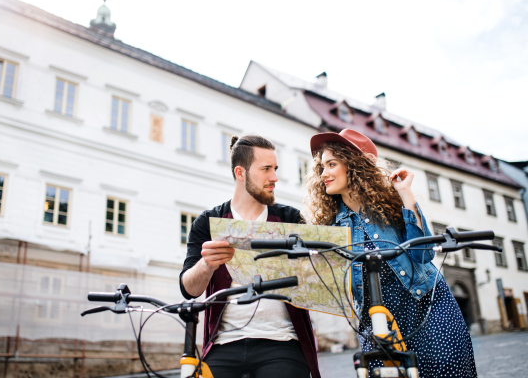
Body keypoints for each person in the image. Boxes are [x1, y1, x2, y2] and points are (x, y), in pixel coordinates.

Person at [305, 128, 477, 377]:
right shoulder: (330, 224)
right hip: (376, 318)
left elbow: (423, 254)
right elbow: (332, 285)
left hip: (426, 305)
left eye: (331, 164)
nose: (324, 174)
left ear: (355, 165)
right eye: (322, 167)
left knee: (446, 371)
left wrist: (406, 194)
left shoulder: (390, 203)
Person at [180, 135, 320, 378]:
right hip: (223, 344)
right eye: (266, 169)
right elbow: (188, 289)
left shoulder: (291, 218)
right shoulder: (208, 222)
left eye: (275, 169)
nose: (274, 177)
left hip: (282, 341)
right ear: (240, 172)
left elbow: (316, 282)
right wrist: (207, 265)